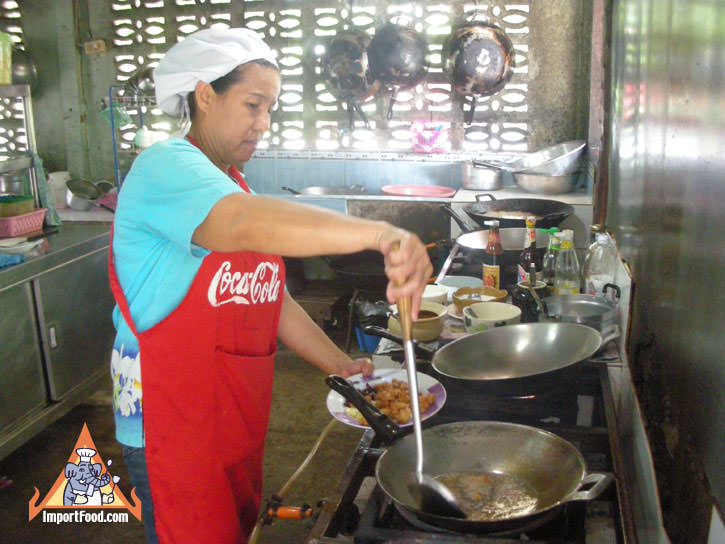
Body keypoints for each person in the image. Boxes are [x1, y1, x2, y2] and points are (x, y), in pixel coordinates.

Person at [108, 27, 432, 544]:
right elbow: (239, 224)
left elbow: (268, 300)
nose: (263, 124)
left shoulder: (232, 182)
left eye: (271, 109)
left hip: (232, 421)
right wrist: (380, 234)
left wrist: (340, 366)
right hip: (173, 427)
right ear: (206, 95)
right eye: (253, 105)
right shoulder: (164, 167)